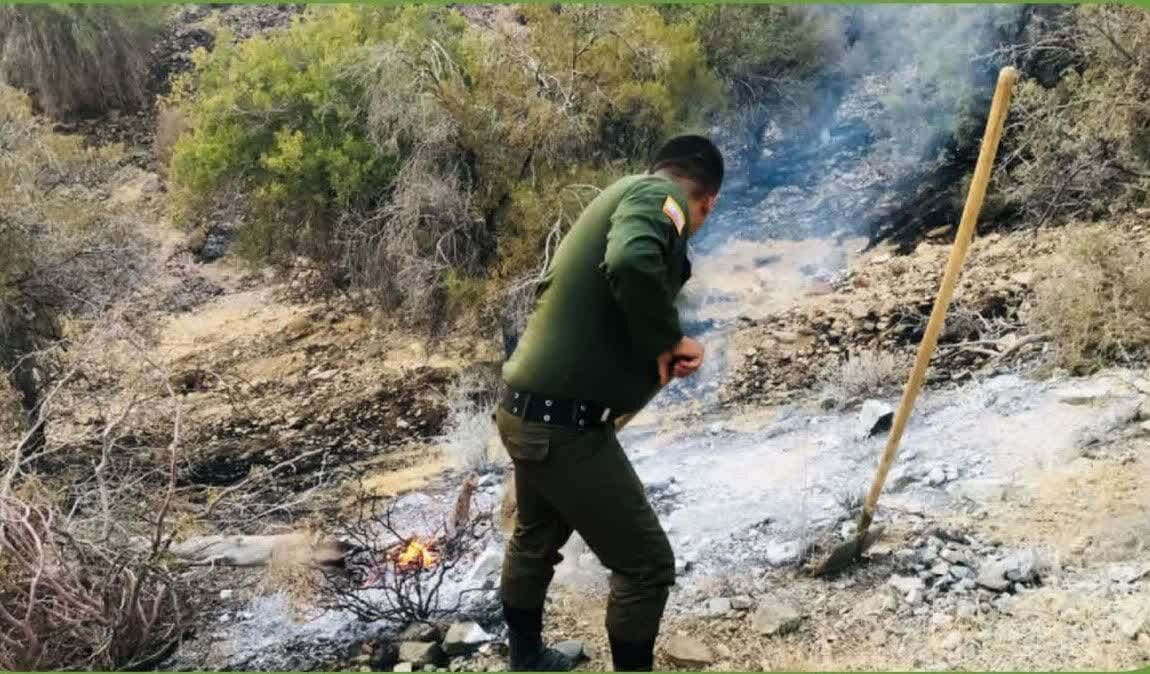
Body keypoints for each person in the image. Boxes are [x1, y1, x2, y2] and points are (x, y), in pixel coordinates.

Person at [495, 135, 723, 671]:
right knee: (647, 567)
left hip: (525, 412)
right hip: (563, 429)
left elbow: (603, 303)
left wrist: (653, 353)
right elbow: (630, 260)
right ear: (708, 201)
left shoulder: (623, 195)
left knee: (535, 538)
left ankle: (526, 661)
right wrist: (668, 338)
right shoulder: (660, 196)